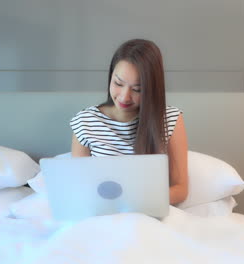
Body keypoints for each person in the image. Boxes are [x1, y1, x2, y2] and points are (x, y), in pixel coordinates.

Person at [69, 39, 188, 205]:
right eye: (118, 83)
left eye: (138, 89)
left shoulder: (170, 119)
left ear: (152, 89)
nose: (125, 97)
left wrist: (135, 202)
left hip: (148, 212)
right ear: (110, 76)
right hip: (102, 213)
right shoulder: (85, 122)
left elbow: (180, 188)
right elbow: (79, 185)